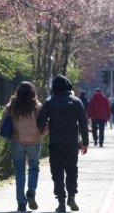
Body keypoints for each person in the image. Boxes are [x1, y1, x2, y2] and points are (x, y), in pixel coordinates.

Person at [37, 74, 88, 212]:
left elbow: (41, 121)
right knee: (72, 170)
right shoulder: (76, 101)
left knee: (57, 172)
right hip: (72, 144)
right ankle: (71, 196)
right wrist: (85, 143)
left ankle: (61, 202)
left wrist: (43, 129)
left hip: (55, 143)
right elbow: (83, 123)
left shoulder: (49, 101)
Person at [3, 81, 45, 212]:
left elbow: (2, 123)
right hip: (34, 142)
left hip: (17, 142)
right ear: (33, 92)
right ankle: (31, 192)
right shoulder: (37, 106)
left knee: (19, 172)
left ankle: (21, 202)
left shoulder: (12, 106)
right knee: (34, 169)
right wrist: (41, 135)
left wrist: (10, 136)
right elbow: (45, 125)